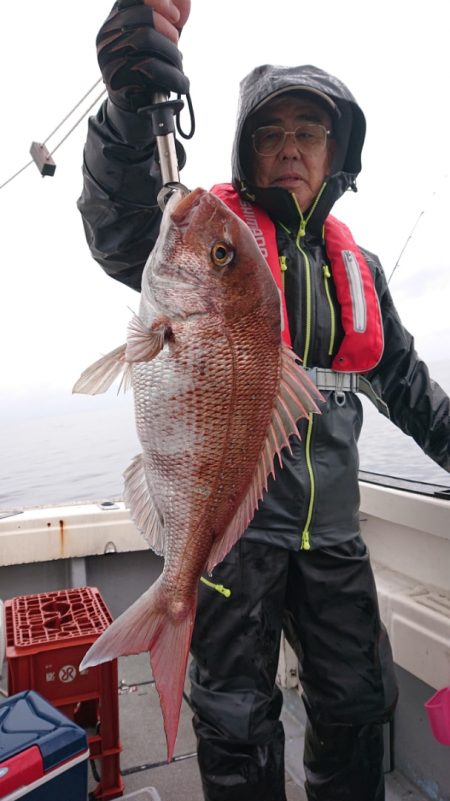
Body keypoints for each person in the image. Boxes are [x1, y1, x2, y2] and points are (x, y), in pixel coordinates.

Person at [77, 2, 450, 799]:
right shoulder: (209, 241)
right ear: (245, 148)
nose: (288, 147)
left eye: (308, 132)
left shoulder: (361, 270)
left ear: (335, 152)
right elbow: (118, 224)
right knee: (236, 717)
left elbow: (412, 390)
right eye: (270, 131)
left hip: (335, 530)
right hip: (233, 537)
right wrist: (128, 107)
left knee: (358, 704)